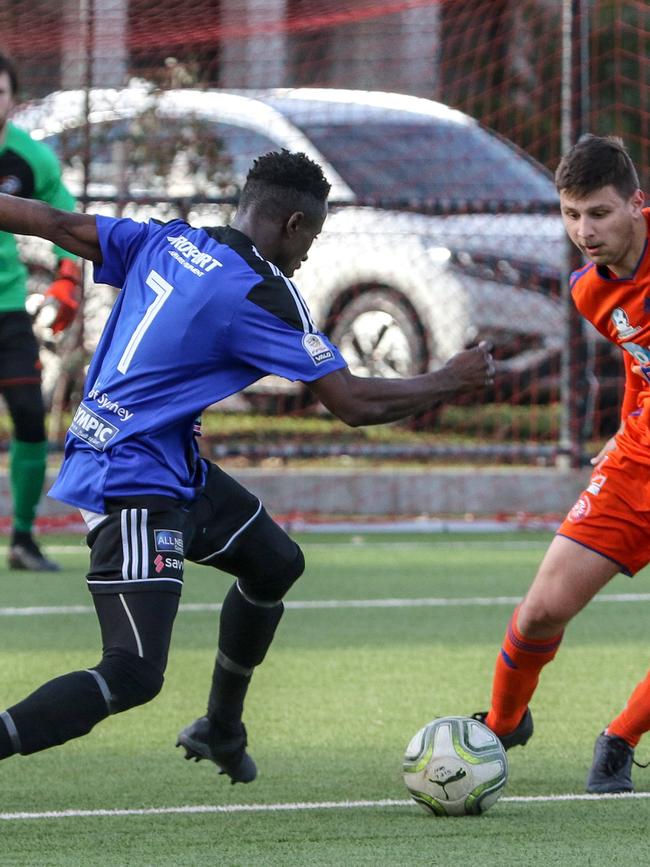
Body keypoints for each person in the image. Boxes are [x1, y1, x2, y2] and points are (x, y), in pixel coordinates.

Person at [0, 148, 495, 783]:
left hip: (157, 460)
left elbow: (54, 223)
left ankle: (220, 727)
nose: (308, 254)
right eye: (311, 238)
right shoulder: (263, 292)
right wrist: (449, 380)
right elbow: (352, 402)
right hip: (131, 479)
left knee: (275, 563)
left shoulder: (170, 238)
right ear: (293, 225)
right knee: (132, 672)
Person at [473, 134, 650, 795]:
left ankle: (619, 738)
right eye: (572, 214)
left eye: (599, 213)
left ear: (637, 203)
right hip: (637, 464)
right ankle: (500, 723)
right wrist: (622, 428)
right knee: (543, 608)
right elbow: (641, 360)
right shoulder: (588, 293)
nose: (584, 231)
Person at [0, 53, 81, 571]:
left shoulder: (30, 159)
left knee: (31, 418)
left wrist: (68, 281)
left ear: (14, 100)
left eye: (0, 91)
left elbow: (66, 222)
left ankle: (23, 539)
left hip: (7, 311)